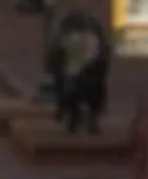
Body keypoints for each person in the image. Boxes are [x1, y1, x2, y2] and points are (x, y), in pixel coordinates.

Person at [48, 10, 112, 138]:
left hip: (75, 79)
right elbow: (104, 63)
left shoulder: (65, 41)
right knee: (94, 90)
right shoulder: (96, 42)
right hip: (90, 78)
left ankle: (75, 118)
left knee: (68, 89)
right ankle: (89, 119)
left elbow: (54, 62)